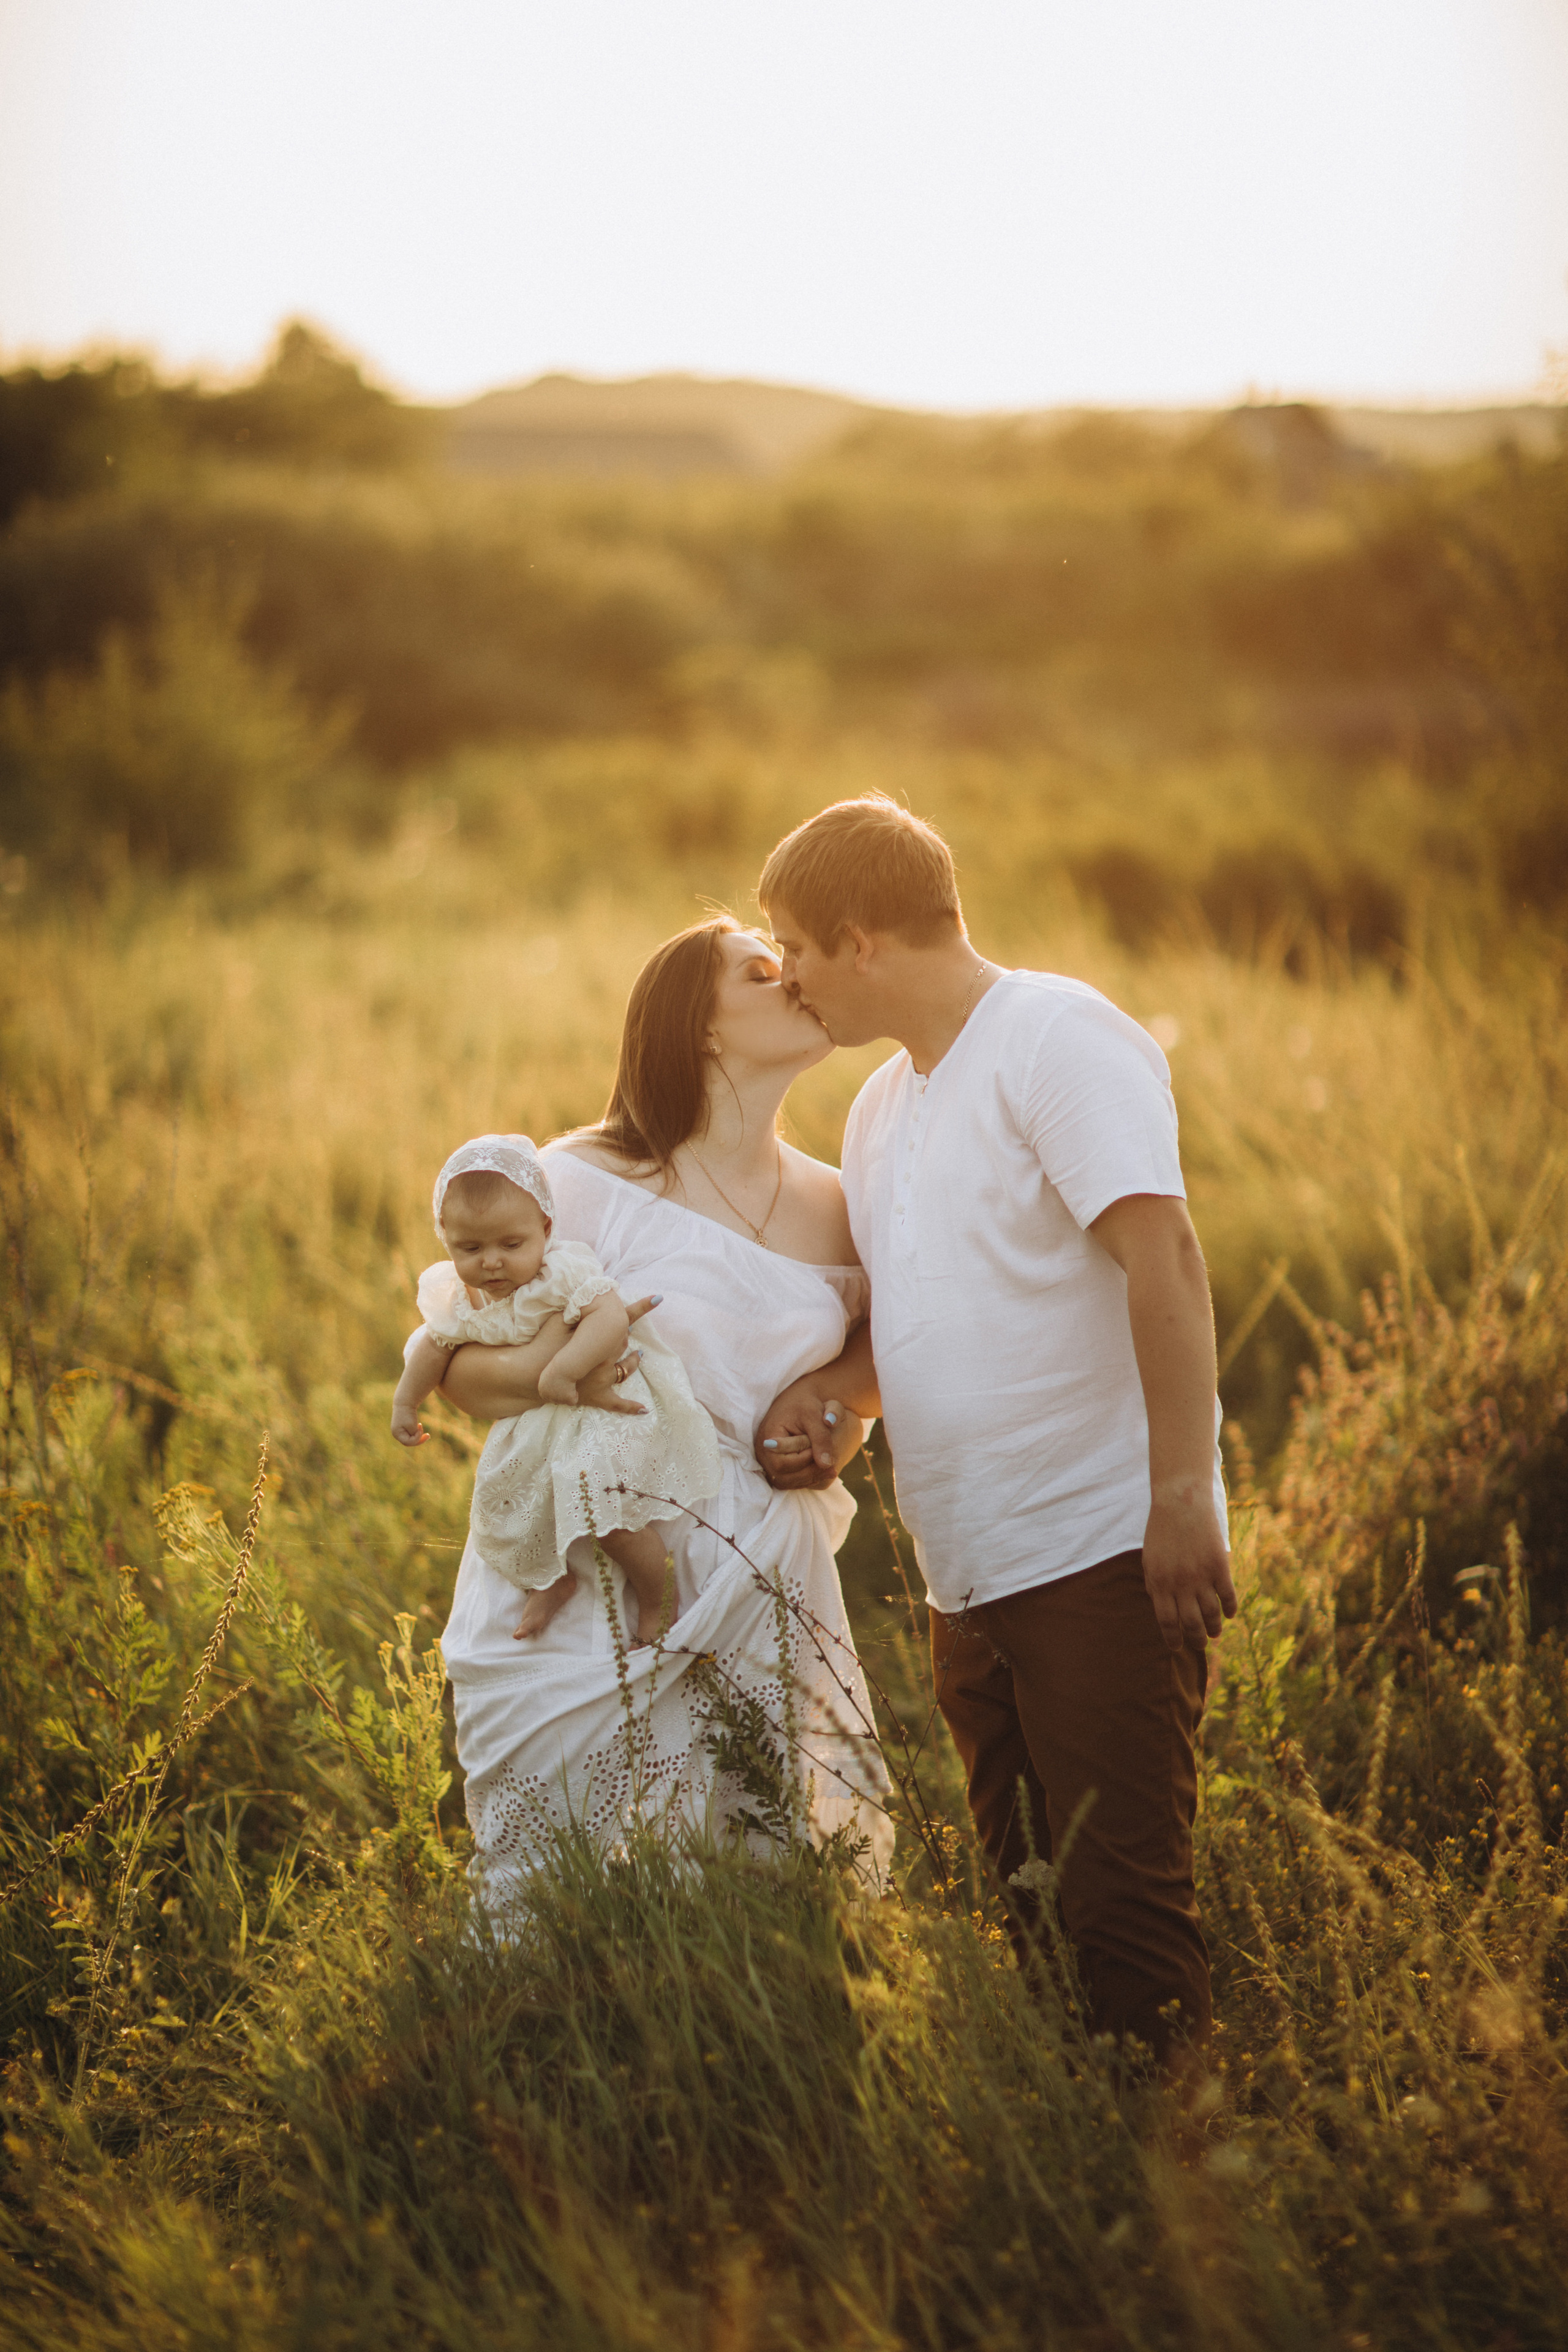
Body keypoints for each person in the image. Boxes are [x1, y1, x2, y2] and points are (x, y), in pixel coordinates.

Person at [755, 796, 1235, 2062]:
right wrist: (838, 1404)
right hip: (966, 1579)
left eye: (794, 947)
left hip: (1097, 1554)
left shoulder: (1054, 1038)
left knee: (1122, 1913)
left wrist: (1181, 1495)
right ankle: (1085, 2157)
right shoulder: (878, 1109)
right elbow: (928, 1316)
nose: (785, 976)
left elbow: (1166, 1258)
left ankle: (1184, 2168)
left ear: (860, 941)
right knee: (1032, 1909)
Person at [428, 918, 893, 1921]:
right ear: (702, 1028)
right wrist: (564, 1375)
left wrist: (833, 1421)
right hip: (588, 1563)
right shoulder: (581, 1181)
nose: (794, 977)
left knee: (758, 1898)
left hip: (756, 1574)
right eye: (761, 972)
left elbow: (868, 1371)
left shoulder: (844, 1205)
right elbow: (459, 1364)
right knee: (551, 1899)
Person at [392, 1133, 722, 1645]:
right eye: (470, 1248)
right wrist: (406, 1401)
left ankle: (658, 1597)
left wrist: (563, 1369)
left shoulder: (560, 1271)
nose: (492, 1262)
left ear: (545, 1229)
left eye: (511, 1245)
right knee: (505, 1511)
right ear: (446, 1239)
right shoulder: (460, 1298)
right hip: (532, 1430)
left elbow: (609, 1317)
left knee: (609, 1517)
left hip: (591, 1419)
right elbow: (434, 1349)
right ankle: (550, 1580)